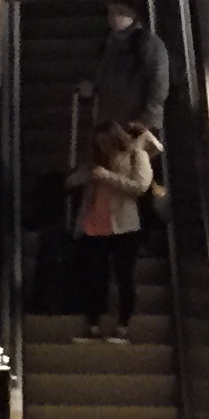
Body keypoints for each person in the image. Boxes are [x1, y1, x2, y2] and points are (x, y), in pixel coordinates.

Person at [68, 117, 160, 343]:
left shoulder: (136, 156)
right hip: (95, 224)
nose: (103, 148)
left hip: (125, 227)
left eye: (106, 143)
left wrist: (108, 177)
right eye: (99, 144)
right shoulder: (97, 161)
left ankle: (123, 327)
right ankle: (93, 326)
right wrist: (82, 177)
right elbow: (73, 181)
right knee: (94, 277)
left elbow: (140, 187)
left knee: (124, 277)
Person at [94, 0, 172, 132]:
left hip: (139, 122)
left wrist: (147, 119)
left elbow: (159, 82)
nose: (114, 18)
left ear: (133, 14)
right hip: (113, 122)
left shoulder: (148, 43)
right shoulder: (108, 43)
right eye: (111, 12)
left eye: (121, 12)